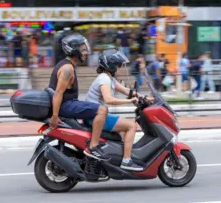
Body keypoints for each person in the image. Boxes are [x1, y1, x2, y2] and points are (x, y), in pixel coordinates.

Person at [48, 33, 110, 161]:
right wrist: (55, 117)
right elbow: (58, 93)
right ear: (74, 50)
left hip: (68, 105)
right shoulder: (67, 68)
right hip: (65, 107)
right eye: (83, 49)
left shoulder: (67, 65)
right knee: (102, 110)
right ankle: (93, 147)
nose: (86, 52)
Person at [85, 48, 147, 171]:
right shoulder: (104, 79)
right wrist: (130, 101)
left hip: (98, 115)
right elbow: (109, 99)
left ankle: (122, 156)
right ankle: (126, 161)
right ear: (111, 65)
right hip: (96, 117)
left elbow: (127, 91)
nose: (119, 68)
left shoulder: (109, 79)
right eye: (118, 65)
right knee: (131, 126)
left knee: (125, 124)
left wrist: (147, 98)